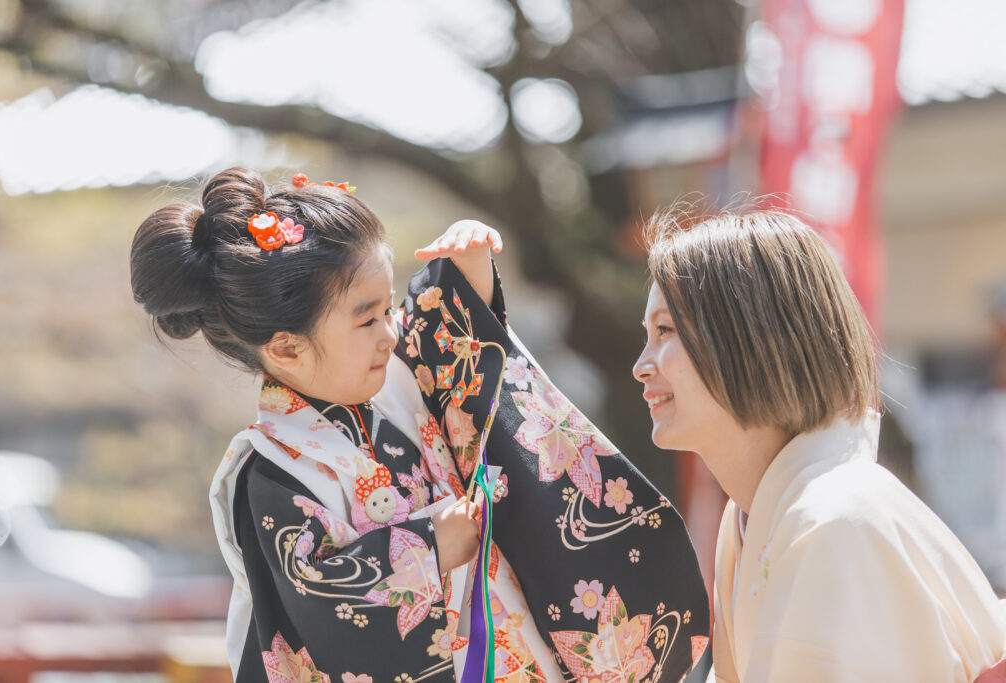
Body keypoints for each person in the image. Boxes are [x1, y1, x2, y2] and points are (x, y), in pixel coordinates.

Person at [130, 168, 710, 683]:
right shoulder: (272, 470)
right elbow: (323, 606)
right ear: (285, 348)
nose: (389, 332)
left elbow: (458, 356)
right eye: (366, 320)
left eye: (388, 310)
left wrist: (468, 274)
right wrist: (428, 548)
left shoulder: (398, 381)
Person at [632, 207, 1006, 683]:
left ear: (750, 338)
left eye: (664, 331)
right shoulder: (750, 519)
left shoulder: (831, 519)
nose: (641, 365)